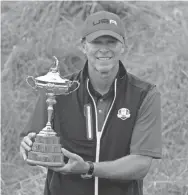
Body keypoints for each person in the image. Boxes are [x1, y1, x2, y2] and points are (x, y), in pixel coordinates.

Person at [20, 11, 162, 195]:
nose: (104, 49)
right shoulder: (57, 90)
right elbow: (30, 147)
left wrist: (89, 168)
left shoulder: (145, 94)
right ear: (83, 46)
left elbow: (141, 163)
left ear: (123, 46)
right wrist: (28, 148)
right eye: (96, 42)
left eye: (111, 42)